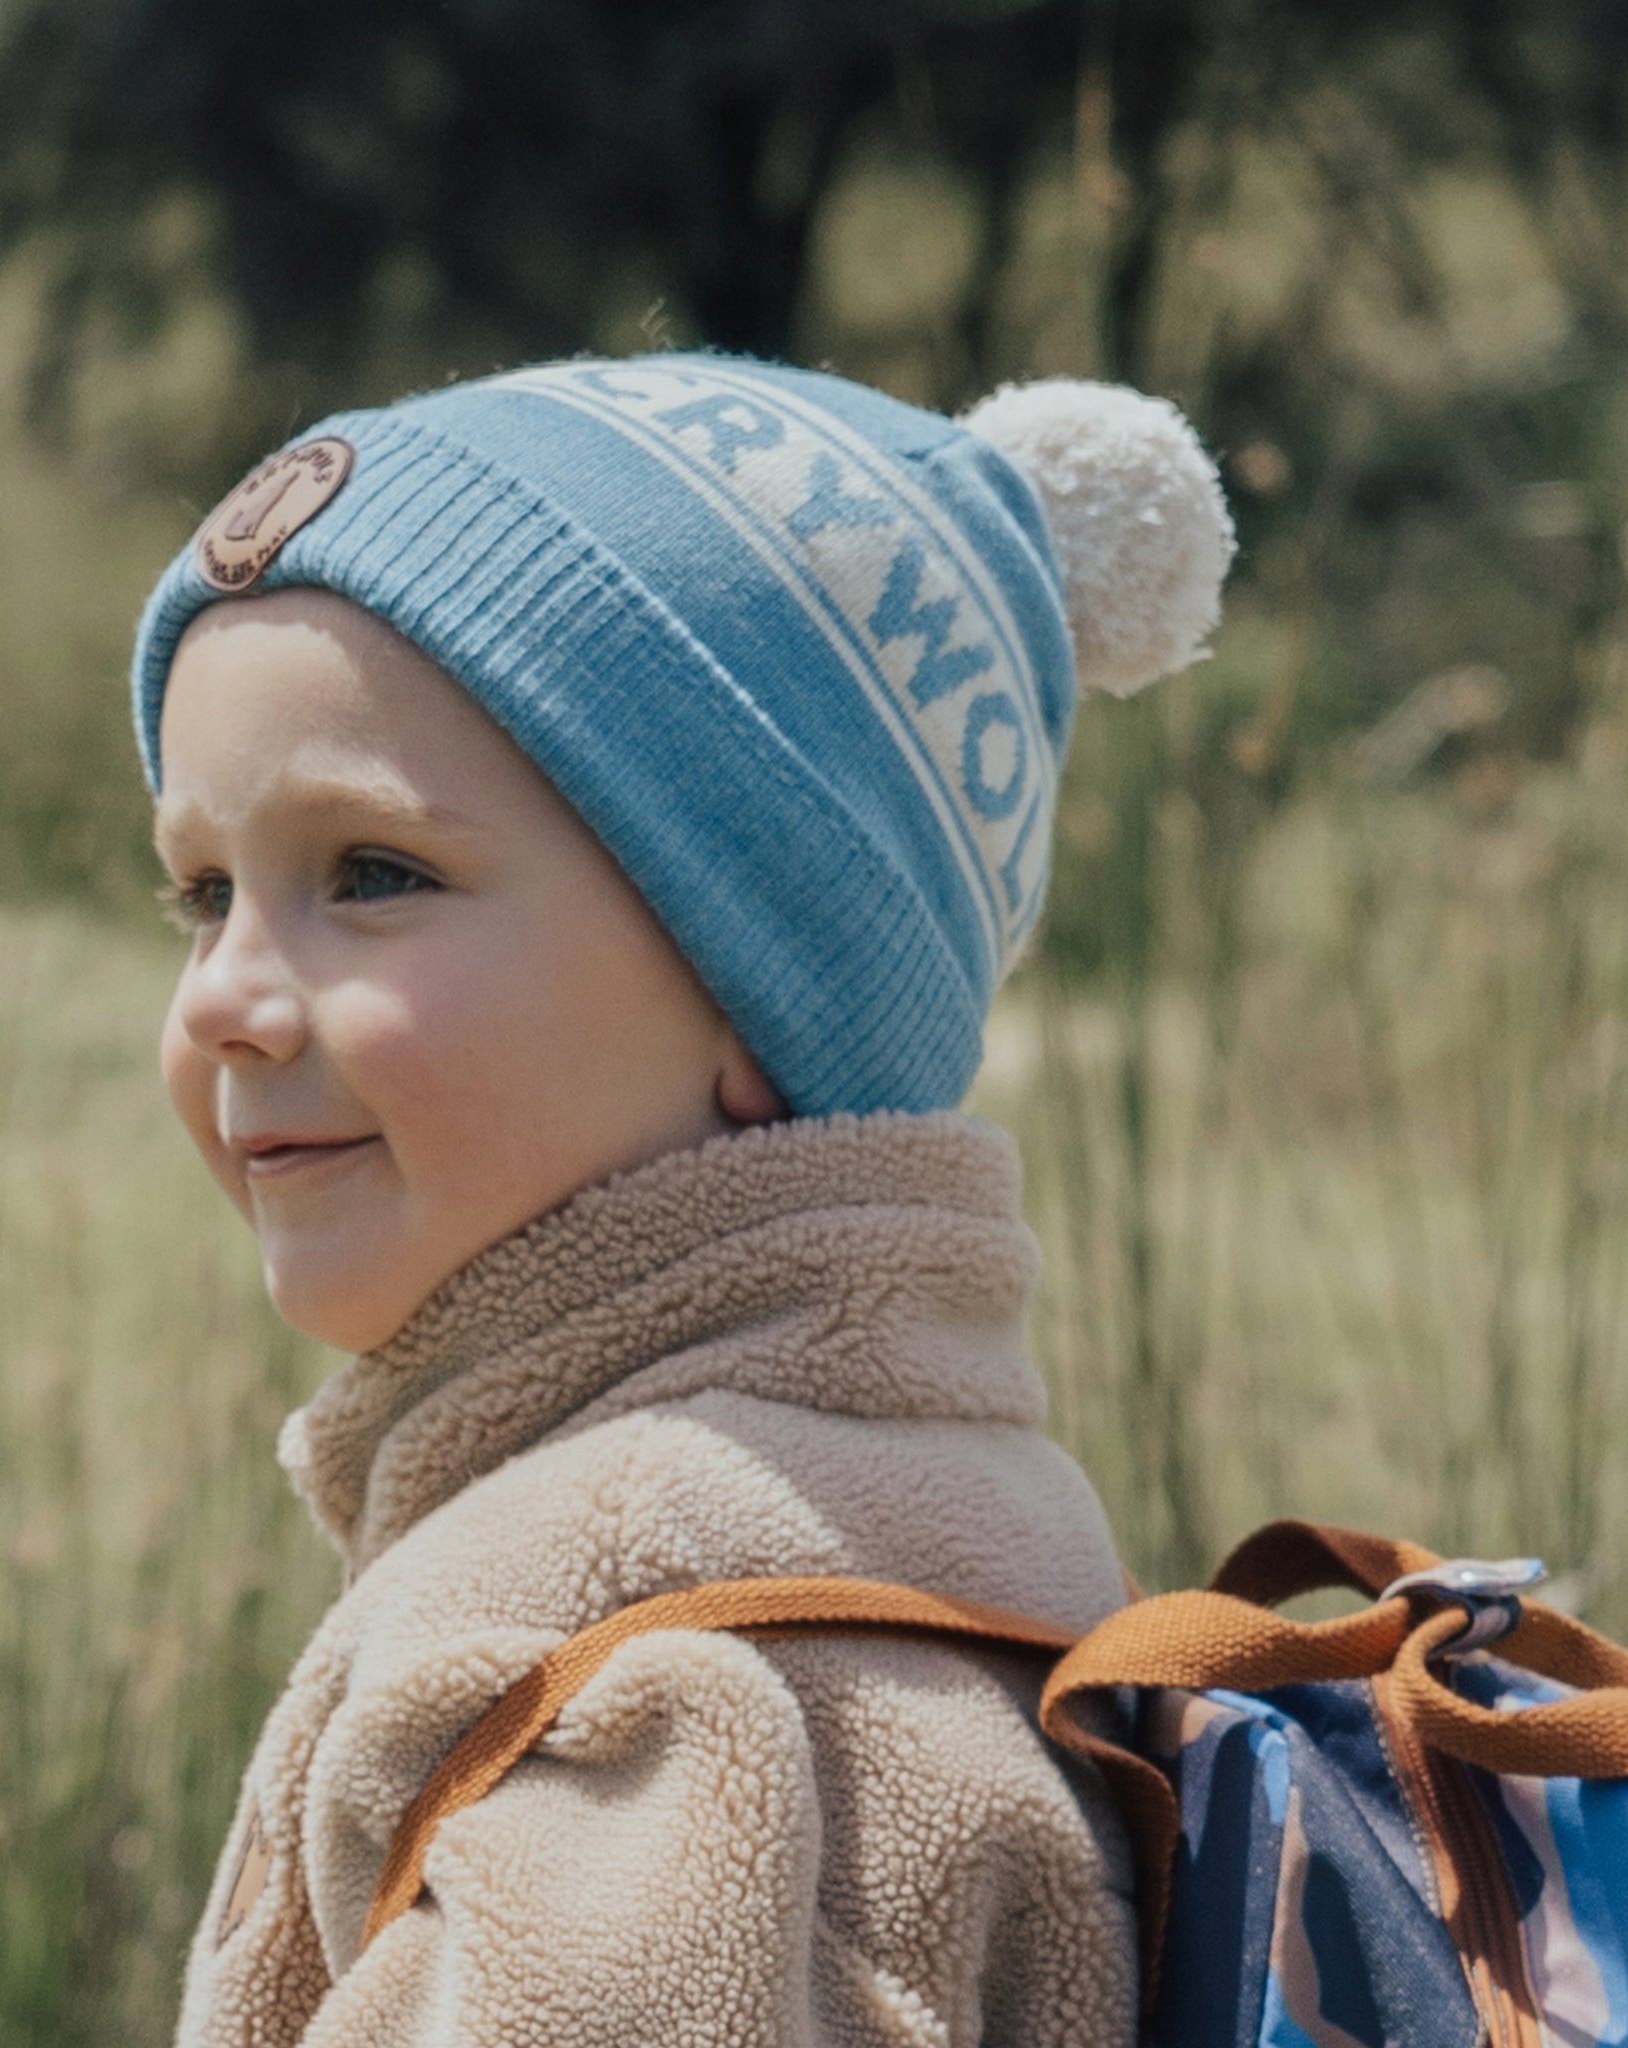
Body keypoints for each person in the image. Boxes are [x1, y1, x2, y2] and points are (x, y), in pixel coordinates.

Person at [129, 351, 1234, 2047]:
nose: (223, 999)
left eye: (374, 874)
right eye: (203, 895)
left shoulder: (629, 1644)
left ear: (757, 984)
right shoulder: (946, 1509)